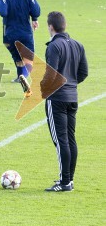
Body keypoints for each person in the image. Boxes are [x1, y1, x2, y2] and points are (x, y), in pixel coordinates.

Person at [41, 11, 88, 192]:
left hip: (57, 99)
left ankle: (64, 182)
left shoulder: (54, 46)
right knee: (70, 139)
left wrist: (44, 89)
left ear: (50, 27)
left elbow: (51, 74)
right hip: (72, 97)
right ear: (64, 25)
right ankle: (69, 179)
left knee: (60, 141)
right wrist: (71, 83)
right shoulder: (77, 45)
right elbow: (83, 73)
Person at [0, 0, 41, 96]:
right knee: (29, 60)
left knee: (17, 58)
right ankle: (25, 76)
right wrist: (33, 18)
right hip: (25, 33)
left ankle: (21, 78)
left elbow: (3, 12)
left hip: (11, 34)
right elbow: (36, 10)